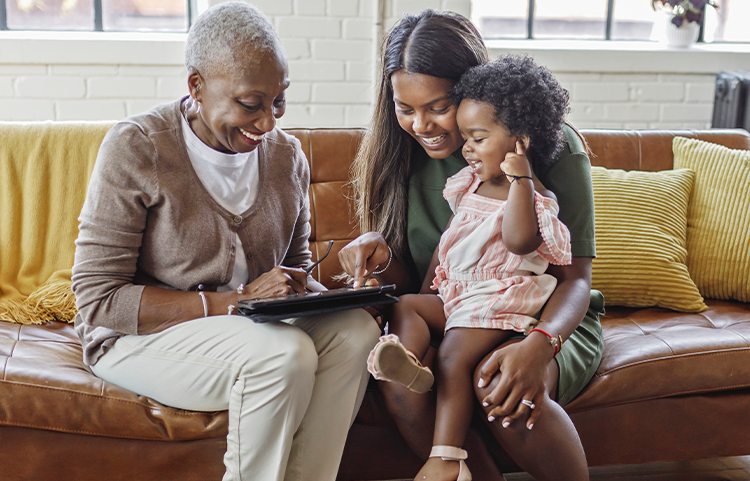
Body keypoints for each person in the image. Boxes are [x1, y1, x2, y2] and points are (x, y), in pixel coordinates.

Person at [71, 3, 380, 481]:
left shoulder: (285, 157)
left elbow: (294, 269)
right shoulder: (139, 147)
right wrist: (232, 304)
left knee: (356, 331)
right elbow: (99, 300)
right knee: (285, 355)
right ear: (196, 86)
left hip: (251, 332)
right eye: (251, 104)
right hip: (138, 340)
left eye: (279, 101)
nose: (268, 122)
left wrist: (337, 296)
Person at [338, 9, 604, 481]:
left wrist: (540, 345)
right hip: (454, 309)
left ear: (470, 90)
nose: (421, 125)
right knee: (400, 385)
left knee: (498, 384)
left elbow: (575, 279)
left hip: (541, 313)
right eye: (405, 108)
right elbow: (422, 281)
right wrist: (378, 251)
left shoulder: (545, 150)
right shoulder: (394, 158)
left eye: (438, 106)